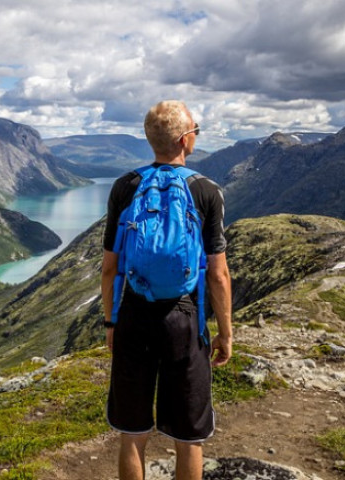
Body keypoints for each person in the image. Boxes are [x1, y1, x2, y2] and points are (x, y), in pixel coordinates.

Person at [101, 100, 232, 480]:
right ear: (184, 140)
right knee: (189, 438)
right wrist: (224, 333)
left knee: (133, 434)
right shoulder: (206, 190)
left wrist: (111, 323)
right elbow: (218, 275)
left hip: (134, 316)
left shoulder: (125, 186)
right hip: (185, 319)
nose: (196, 135)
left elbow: (110, 268)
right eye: (195, 130)